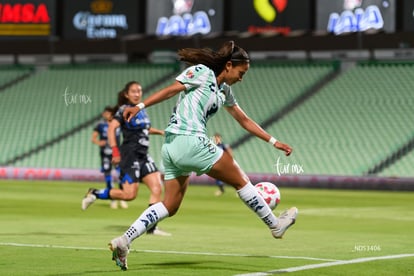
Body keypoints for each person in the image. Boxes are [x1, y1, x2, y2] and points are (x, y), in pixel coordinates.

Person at [108, 41, 298, 271]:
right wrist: (139, 106)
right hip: (188, 140)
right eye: (241, 72)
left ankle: (125, 240)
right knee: (239, 179)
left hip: (173, 147)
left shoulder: (224, 90)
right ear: (228, 65)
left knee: (170, 205)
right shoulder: (201, 72)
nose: (242, 77)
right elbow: (171, 90)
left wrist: (274, 141)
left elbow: (244, 120)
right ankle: (275, 225)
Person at [82, 81, 171, 236]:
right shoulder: (123, 110)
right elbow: (112, 128)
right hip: (129, 155)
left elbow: (145, 129)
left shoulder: (142, 110)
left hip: (144, 155)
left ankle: (151, 228)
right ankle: (95, 193)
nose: (137, 94)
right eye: (134, 91)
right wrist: (115, 152)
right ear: (126, 94)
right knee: (129, 195)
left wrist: (161, 132)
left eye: (139, 91)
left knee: (157, 188)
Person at [91, 106, 128, 209]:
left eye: (108, 113)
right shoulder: (100, 125)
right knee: (108, 176)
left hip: (116, 154)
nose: (105, 115)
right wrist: (99, 142)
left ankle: (122, 198)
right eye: (105, 113)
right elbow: (93, 138)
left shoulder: (118, 124)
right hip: (105, 154)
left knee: (121, 175)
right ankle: (112, 199)